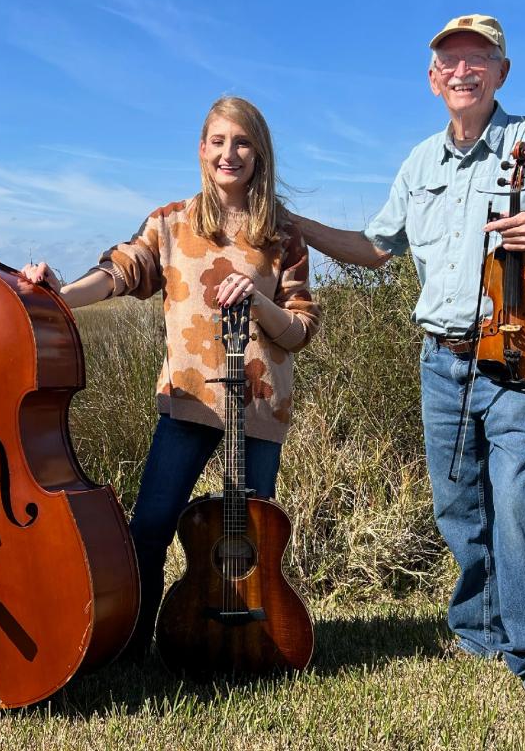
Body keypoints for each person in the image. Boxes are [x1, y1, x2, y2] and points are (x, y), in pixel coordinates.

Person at [290, 15, 525, 710]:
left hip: (521, 355)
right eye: (449, 62)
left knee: (518, 505)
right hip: (443, 362)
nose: (463, 71)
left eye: (477, 59)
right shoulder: (420, 161)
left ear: (501, 72)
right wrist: (297, 225)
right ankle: (479, 630)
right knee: (458, 507)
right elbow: (375, 249)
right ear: (433, 81)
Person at [20, 96, 320, 658]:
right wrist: (57, 295)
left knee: (247, 539)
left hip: (258, 408)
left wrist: (258, 300)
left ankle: (244, 640)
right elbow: (118, 272)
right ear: (202, 149)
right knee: (151, 528)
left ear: (260, 152)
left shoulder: (282, 235)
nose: (229, 153)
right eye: (218, 141)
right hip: (188, 401)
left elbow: (300, 329)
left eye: (242, 142)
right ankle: (132, 645)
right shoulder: (171, 222)